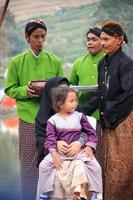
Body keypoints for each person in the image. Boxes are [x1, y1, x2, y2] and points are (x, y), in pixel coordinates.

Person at [4, 19, 63, 200]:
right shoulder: (16, 62)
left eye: (43, 37)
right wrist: (26, 91)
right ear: (27, 37)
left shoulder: (55, 61)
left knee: (55, 164)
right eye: (36, 37)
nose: (40, 41)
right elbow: (10, 88)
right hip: (29, 120)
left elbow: (62, 88)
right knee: (29, 165)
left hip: (52, 122)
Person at [79, 20, 133, 200]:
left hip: (125, 122)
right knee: (108, 168)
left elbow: (129, 94)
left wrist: (109, 112)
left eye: (106, 39)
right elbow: (102, 94)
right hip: (109, 122)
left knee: (123, 171)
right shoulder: (103, 63)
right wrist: (81, 111)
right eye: (101, 39)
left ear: (118, 40)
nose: (102, 43)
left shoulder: (126, 63)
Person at [36, 85, 103, 200]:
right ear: (60, 104)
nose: (75, 103)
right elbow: (50, 138)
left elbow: (91, 133)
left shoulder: (79, 116)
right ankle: (44, 192)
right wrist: (54, 154)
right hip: (60, 153)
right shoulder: (53, 120)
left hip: (78, 152)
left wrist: (89, 147)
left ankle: (97, 194)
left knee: (96, 167)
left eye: (76, 100)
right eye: (71, 101)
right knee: (43, 166)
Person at [69, 26, 105, 119]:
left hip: (105, 114)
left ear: (103, 41)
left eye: (94, 39)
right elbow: (71, 85)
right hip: (83, 115)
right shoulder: (78, 62)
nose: (89, 42)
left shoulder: (109, 61)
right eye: (88, 39)